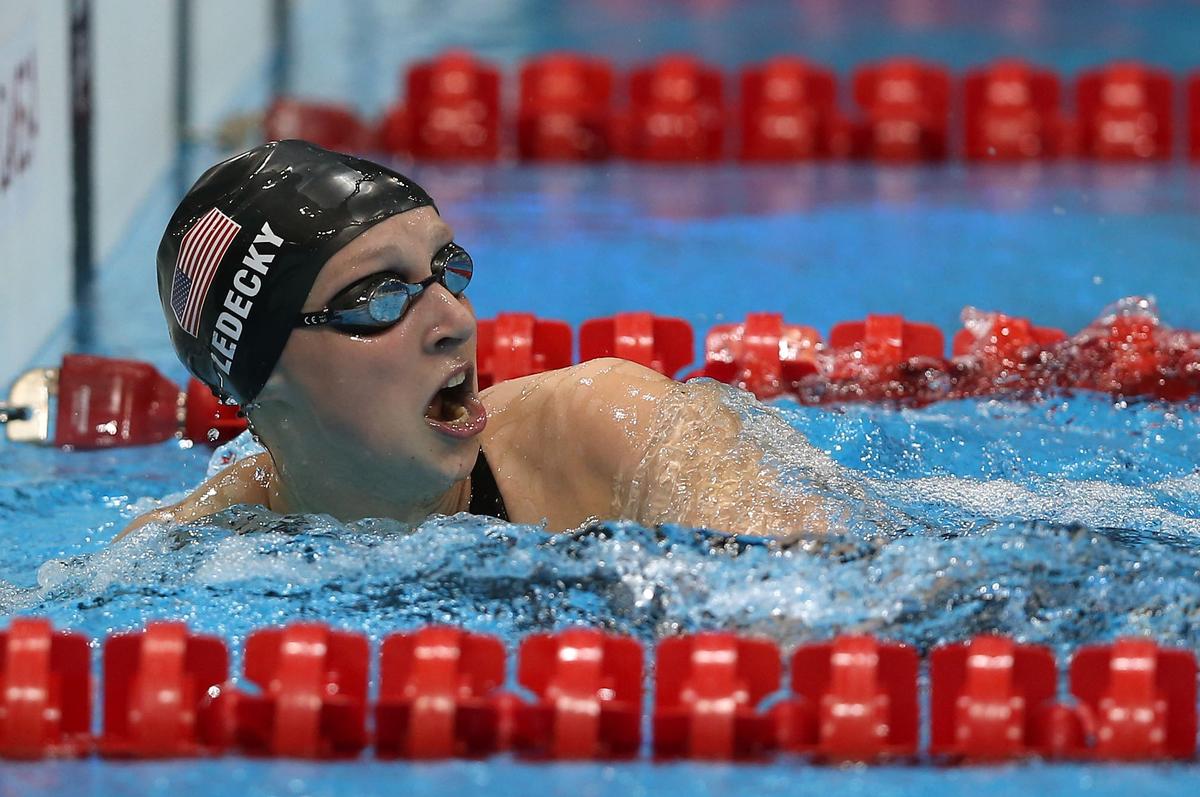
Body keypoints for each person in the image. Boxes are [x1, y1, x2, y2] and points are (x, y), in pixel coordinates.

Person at [119, 140, 829, 540]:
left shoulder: (606, 427)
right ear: (262, 373)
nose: (456, 321)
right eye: (379, 299)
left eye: (447, 272)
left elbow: (825, 592)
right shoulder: (190, 549)